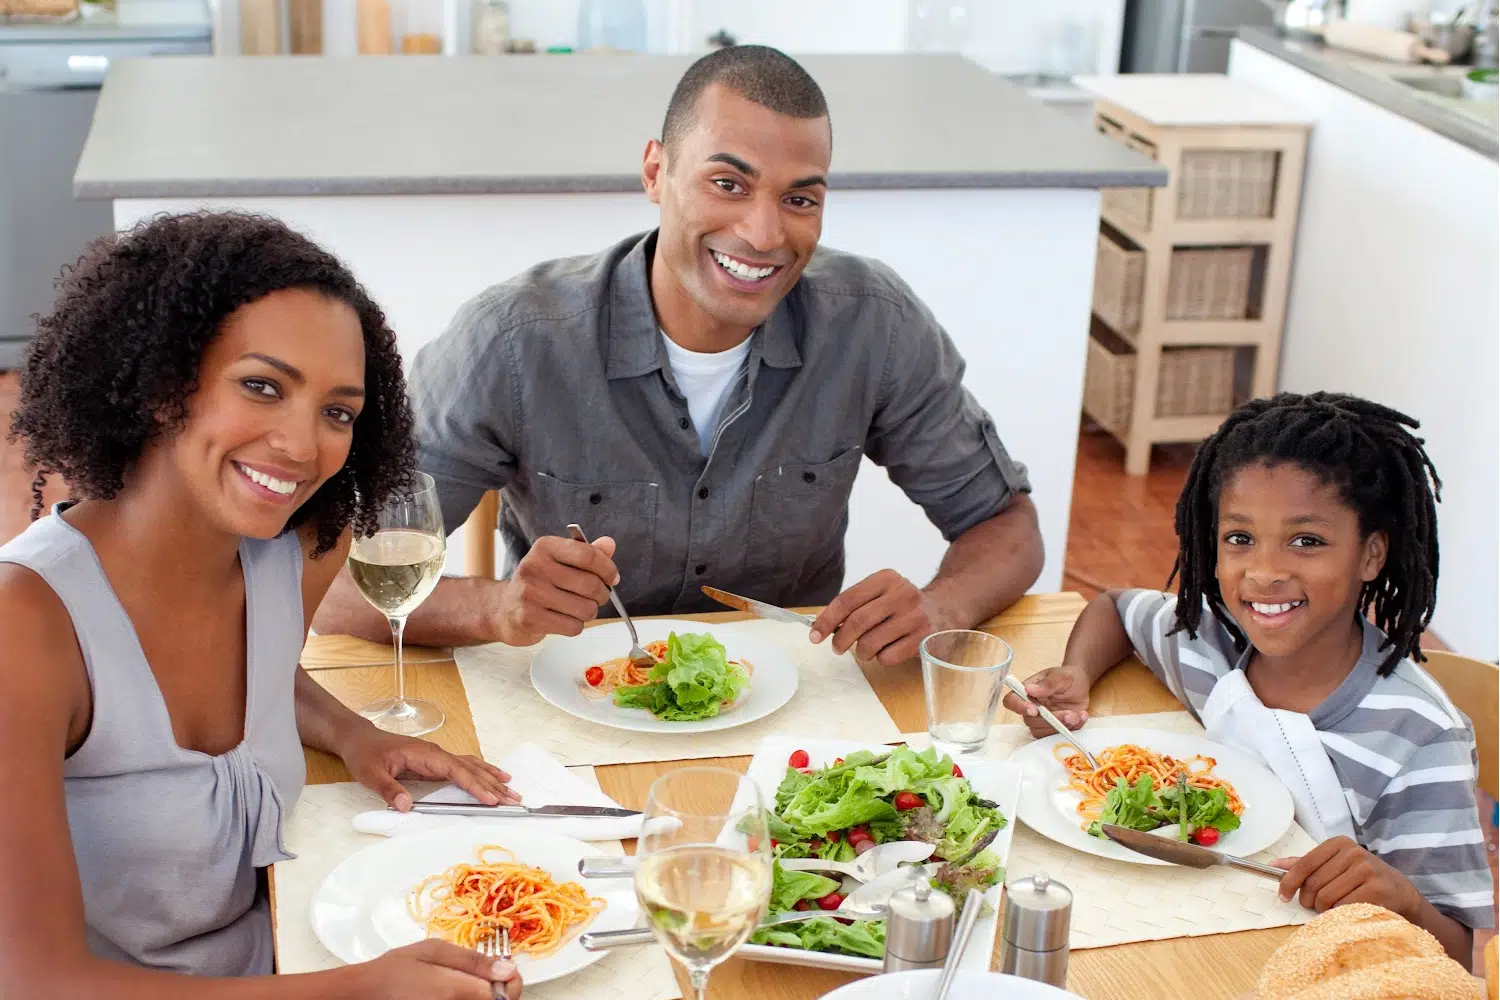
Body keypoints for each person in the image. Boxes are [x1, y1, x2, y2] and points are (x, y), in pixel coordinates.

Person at [313, 44, 1044, 664]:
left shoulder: (874, 325)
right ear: (655, 172)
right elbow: (334, 586)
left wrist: (941, 605)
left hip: (795, 722)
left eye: (801, 199)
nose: (764, 234)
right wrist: (498, 608)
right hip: (568, 709)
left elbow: (1006, 527)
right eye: (728, 184)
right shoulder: (510, 342)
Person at [0, 212, 523, 999]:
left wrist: (355, 734)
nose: (302, 445)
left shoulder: (298, 550)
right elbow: (36, 983)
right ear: (160, 382)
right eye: (262, 387)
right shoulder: (26, 625)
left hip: (289, 944)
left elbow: (255, 672)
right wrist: (358, 990)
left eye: (337, 411)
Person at [1004, 392, 1493, 965]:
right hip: (1184, 938)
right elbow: (1114, 608)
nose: (1263, 573)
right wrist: (1077, 672)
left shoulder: (1418, 738)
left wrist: (1403, 899)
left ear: (1371, 555)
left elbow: (1459, 953)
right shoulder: (1210, 641)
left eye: (1306, 541)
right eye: (1240, 538)